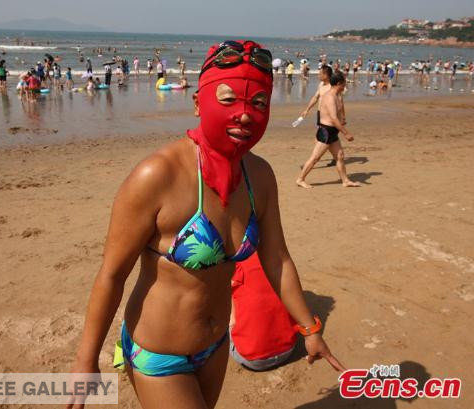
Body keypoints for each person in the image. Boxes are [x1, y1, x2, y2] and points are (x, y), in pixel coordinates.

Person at [67, 40, 344, 409]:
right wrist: (85, 361)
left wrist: (309, 328)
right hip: (158, 356)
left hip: (215, 349)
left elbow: (277, 259)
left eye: (258, 103)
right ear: (199, 102)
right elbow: (112, 274)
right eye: (228, 100)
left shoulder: (259, 177)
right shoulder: (157, 176)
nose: (245, 115)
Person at [230, 253, 298, 371]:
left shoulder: (232, 263)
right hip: (289, 348)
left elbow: (233, 320)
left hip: (252, 359)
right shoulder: (279, 259)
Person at [296, 71, 359, 188]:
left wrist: (343, 118)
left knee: (339, 156)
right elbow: (334, 119)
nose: (345, 85)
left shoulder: (337, 95)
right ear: (339, 83)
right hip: (326, 132)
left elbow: (338, 113)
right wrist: (346, 133)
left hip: (333, 132)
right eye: (344, 83)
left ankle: (345, 181)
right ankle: (300, 179)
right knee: (315, 158)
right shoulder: (330, 97)